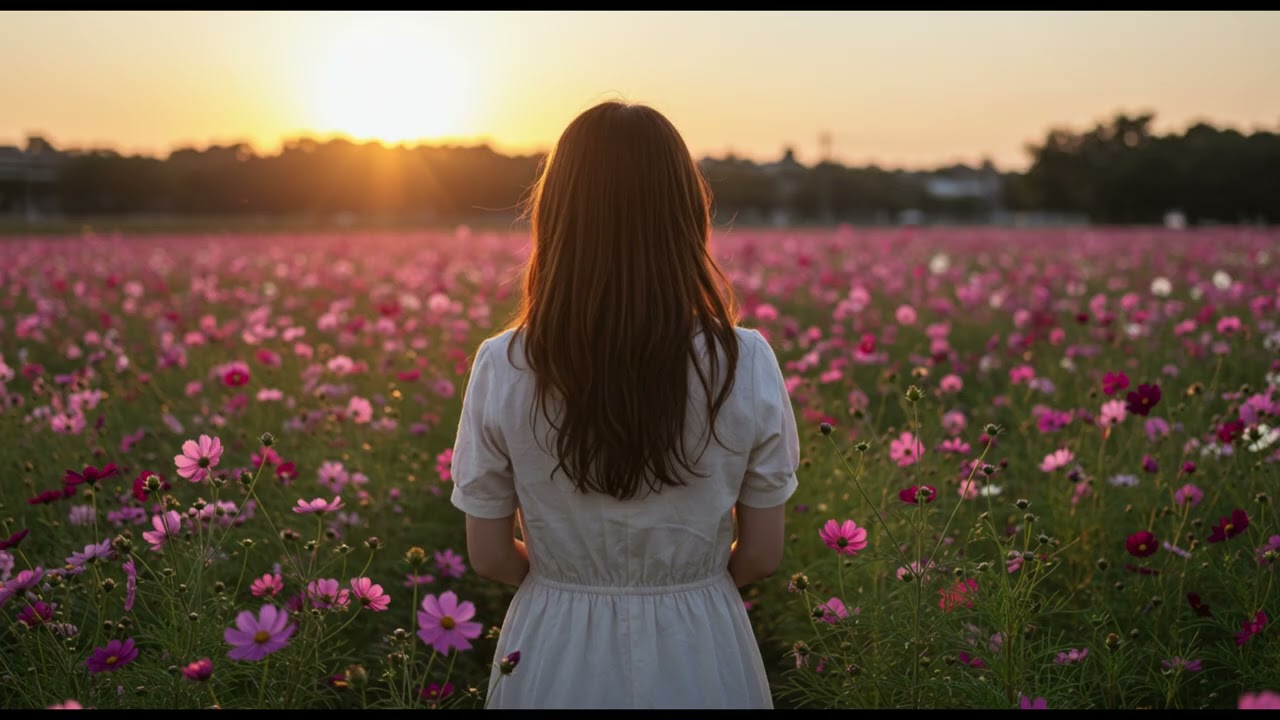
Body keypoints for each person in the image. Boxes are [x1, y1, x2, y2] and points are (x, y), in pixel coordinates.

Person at [449, 101, 800, 709]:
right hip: (702, 639)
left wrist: (570, 583)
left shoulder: (503, 364)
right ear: (687, 214)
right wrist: (690, 585)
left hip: (552, 642)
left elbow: (489, 554)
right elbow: (764, 554)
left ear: (556, 217)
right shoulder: (746, 361)